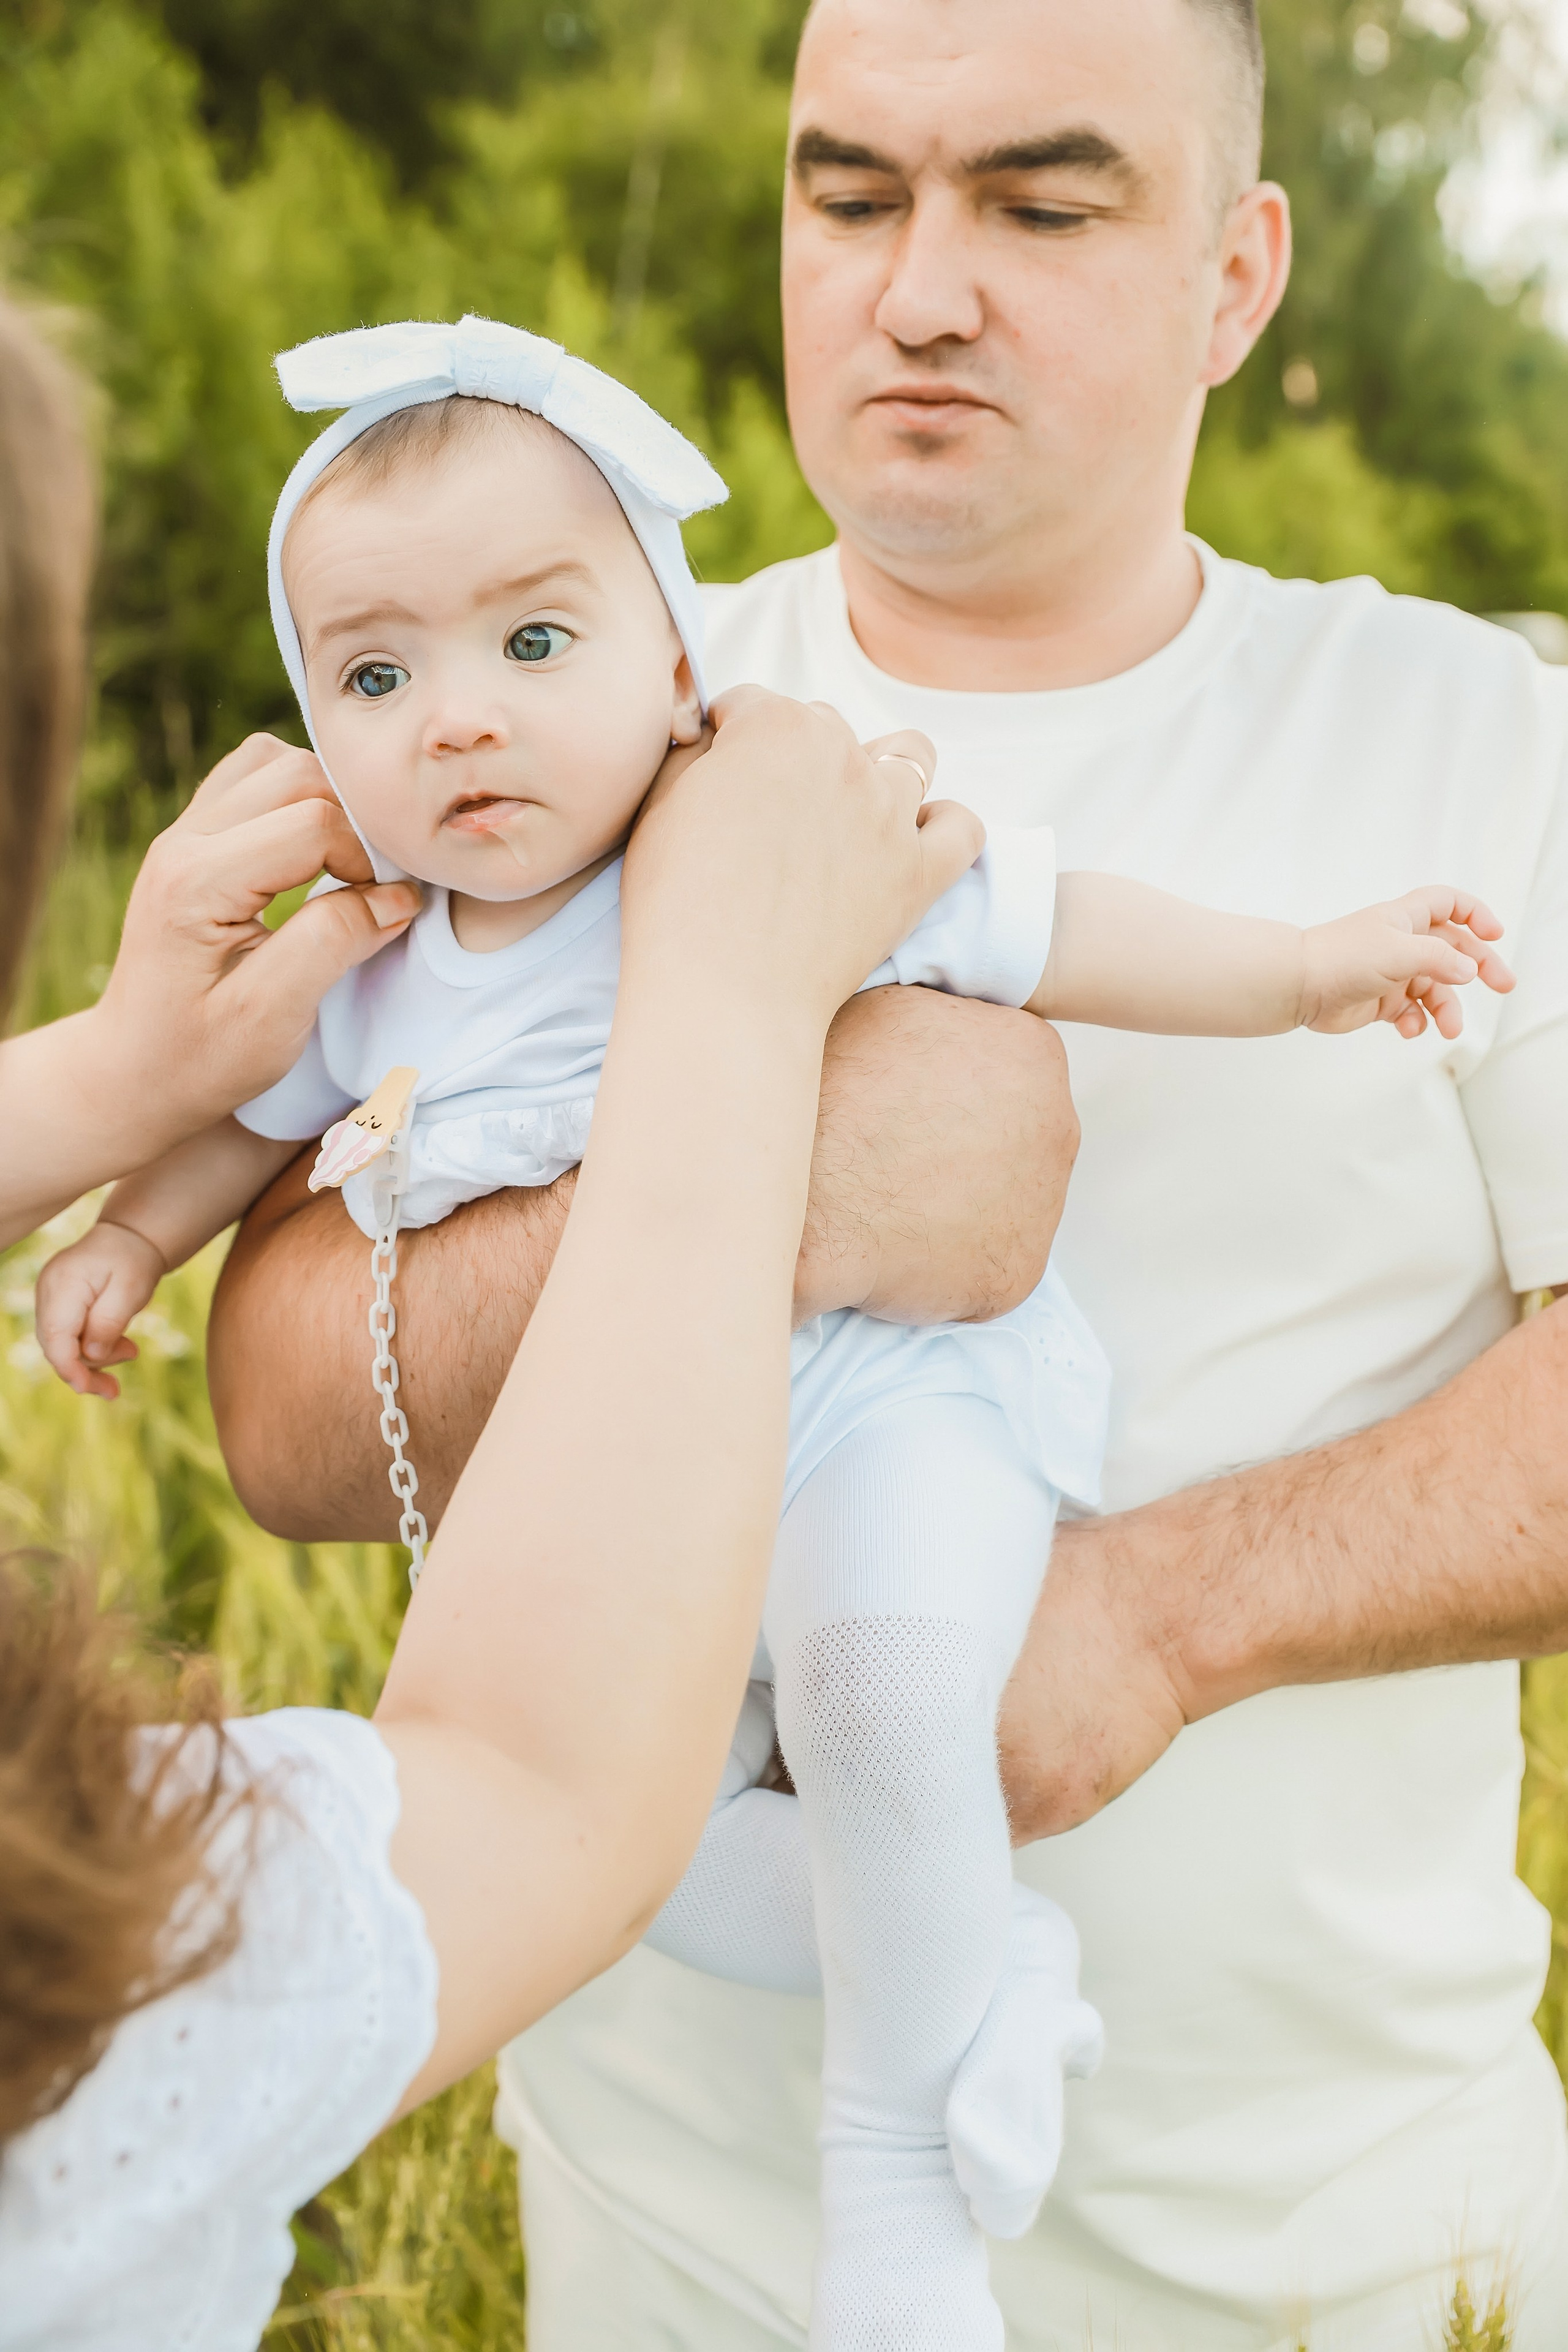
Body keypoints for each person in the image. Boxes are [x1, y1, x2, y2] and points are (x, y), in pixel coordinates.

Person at [208, 2, 1568, 2346]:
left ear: (1239, 277)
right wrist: (778, 1153)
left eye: (1040, 204)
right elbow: (280, 1403)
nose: (921, 285)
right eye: (851, 194)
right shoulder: (541, 704)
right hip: (672, 2244)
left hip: (1344, 2242)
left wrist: (1152, 1623)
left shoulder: (1487, 736)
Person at [0, 290, 1000, 2350]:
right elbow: (535, 1782)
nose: (460, 718)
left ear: (669, 660)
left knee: (885, 1710)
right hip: (638, 1549)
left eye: (531, 643)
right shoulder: (84, 1976)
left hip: (833, 1452)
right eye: (377, 672)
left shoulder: (662, 841)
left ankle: (945, 2040)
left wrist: (106, 1082)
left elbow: (1035, 914)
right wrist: (132, 1208)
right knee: (794, 1843)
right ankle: (960, 2021)